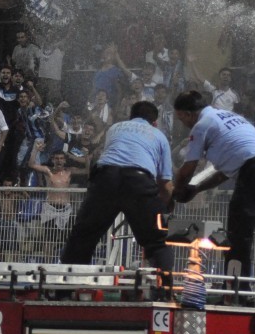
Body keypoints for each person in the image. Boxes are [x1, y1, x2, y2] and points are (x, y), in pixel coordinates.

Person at [172, 90, 255, 284]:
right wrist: (197, 189)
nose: (183, 124)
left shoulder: (201, 125)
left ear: (188, 114)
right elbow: (223, 173)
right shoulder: (230, 116)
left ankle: (236, 290)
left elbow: (187, 169)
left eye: (181, 119)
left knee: (237, 235)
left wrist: (177, 192)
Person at [62, 101, 174, 272]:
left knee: (83, 235)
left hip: (105, 178)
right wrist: (166, 208)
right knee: (157, 240)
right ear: (155, 122)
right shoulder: (159, 136)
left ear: (130, 116)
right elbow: (165, 183)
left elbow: (116, 157)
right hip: (139, 181)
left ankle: (67, 281)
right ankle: (164, 283)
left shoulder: (115, 128)